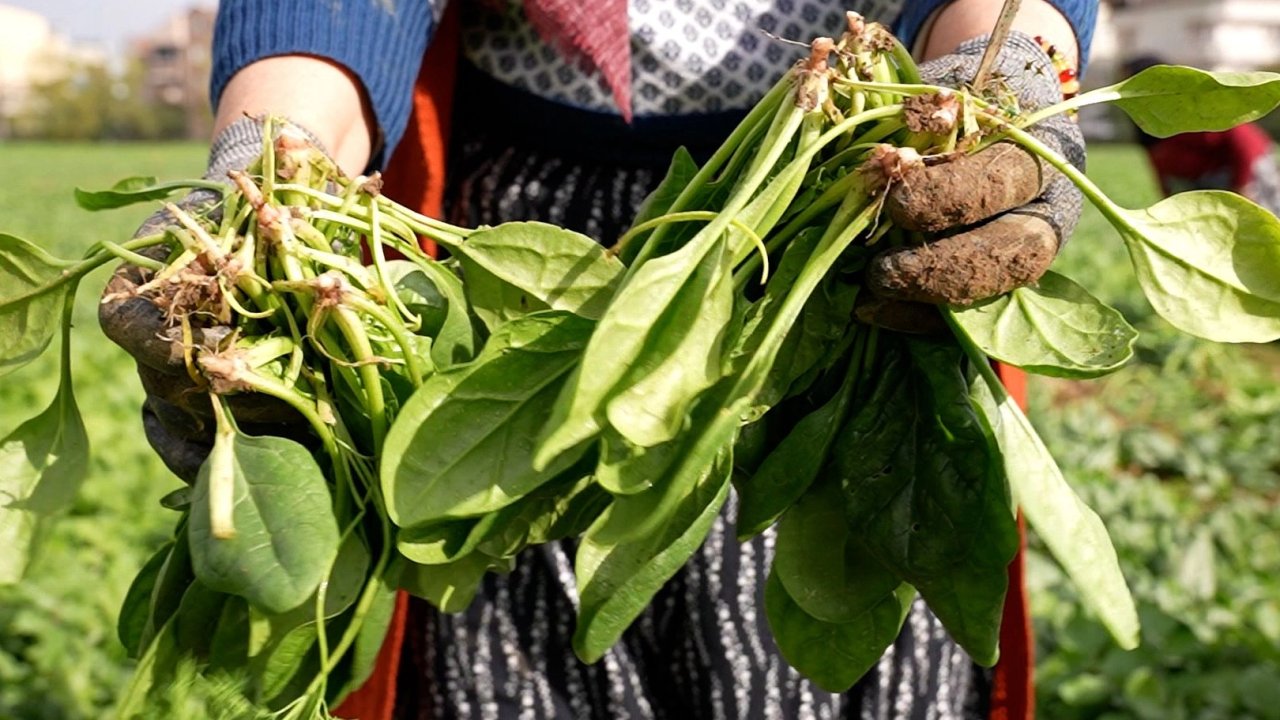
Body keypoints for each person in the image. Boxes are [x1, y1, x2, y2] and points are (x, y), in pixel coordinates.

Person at [100, 1, 1096, 718]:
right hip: (516, 258)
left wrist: (1003, 65)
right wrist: (274, 162)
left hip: (840, 225)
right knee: (498, 644)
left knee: (850, 591)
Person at [1125, 55, 1280, 215]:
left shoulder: (1192, 110)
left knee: (1266, 215)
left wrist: (1242, 186)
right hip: (1199, 180)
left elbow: (1245, 143)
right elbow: (1158, 163)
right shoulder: (1147, 124)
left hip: (1245, 169)